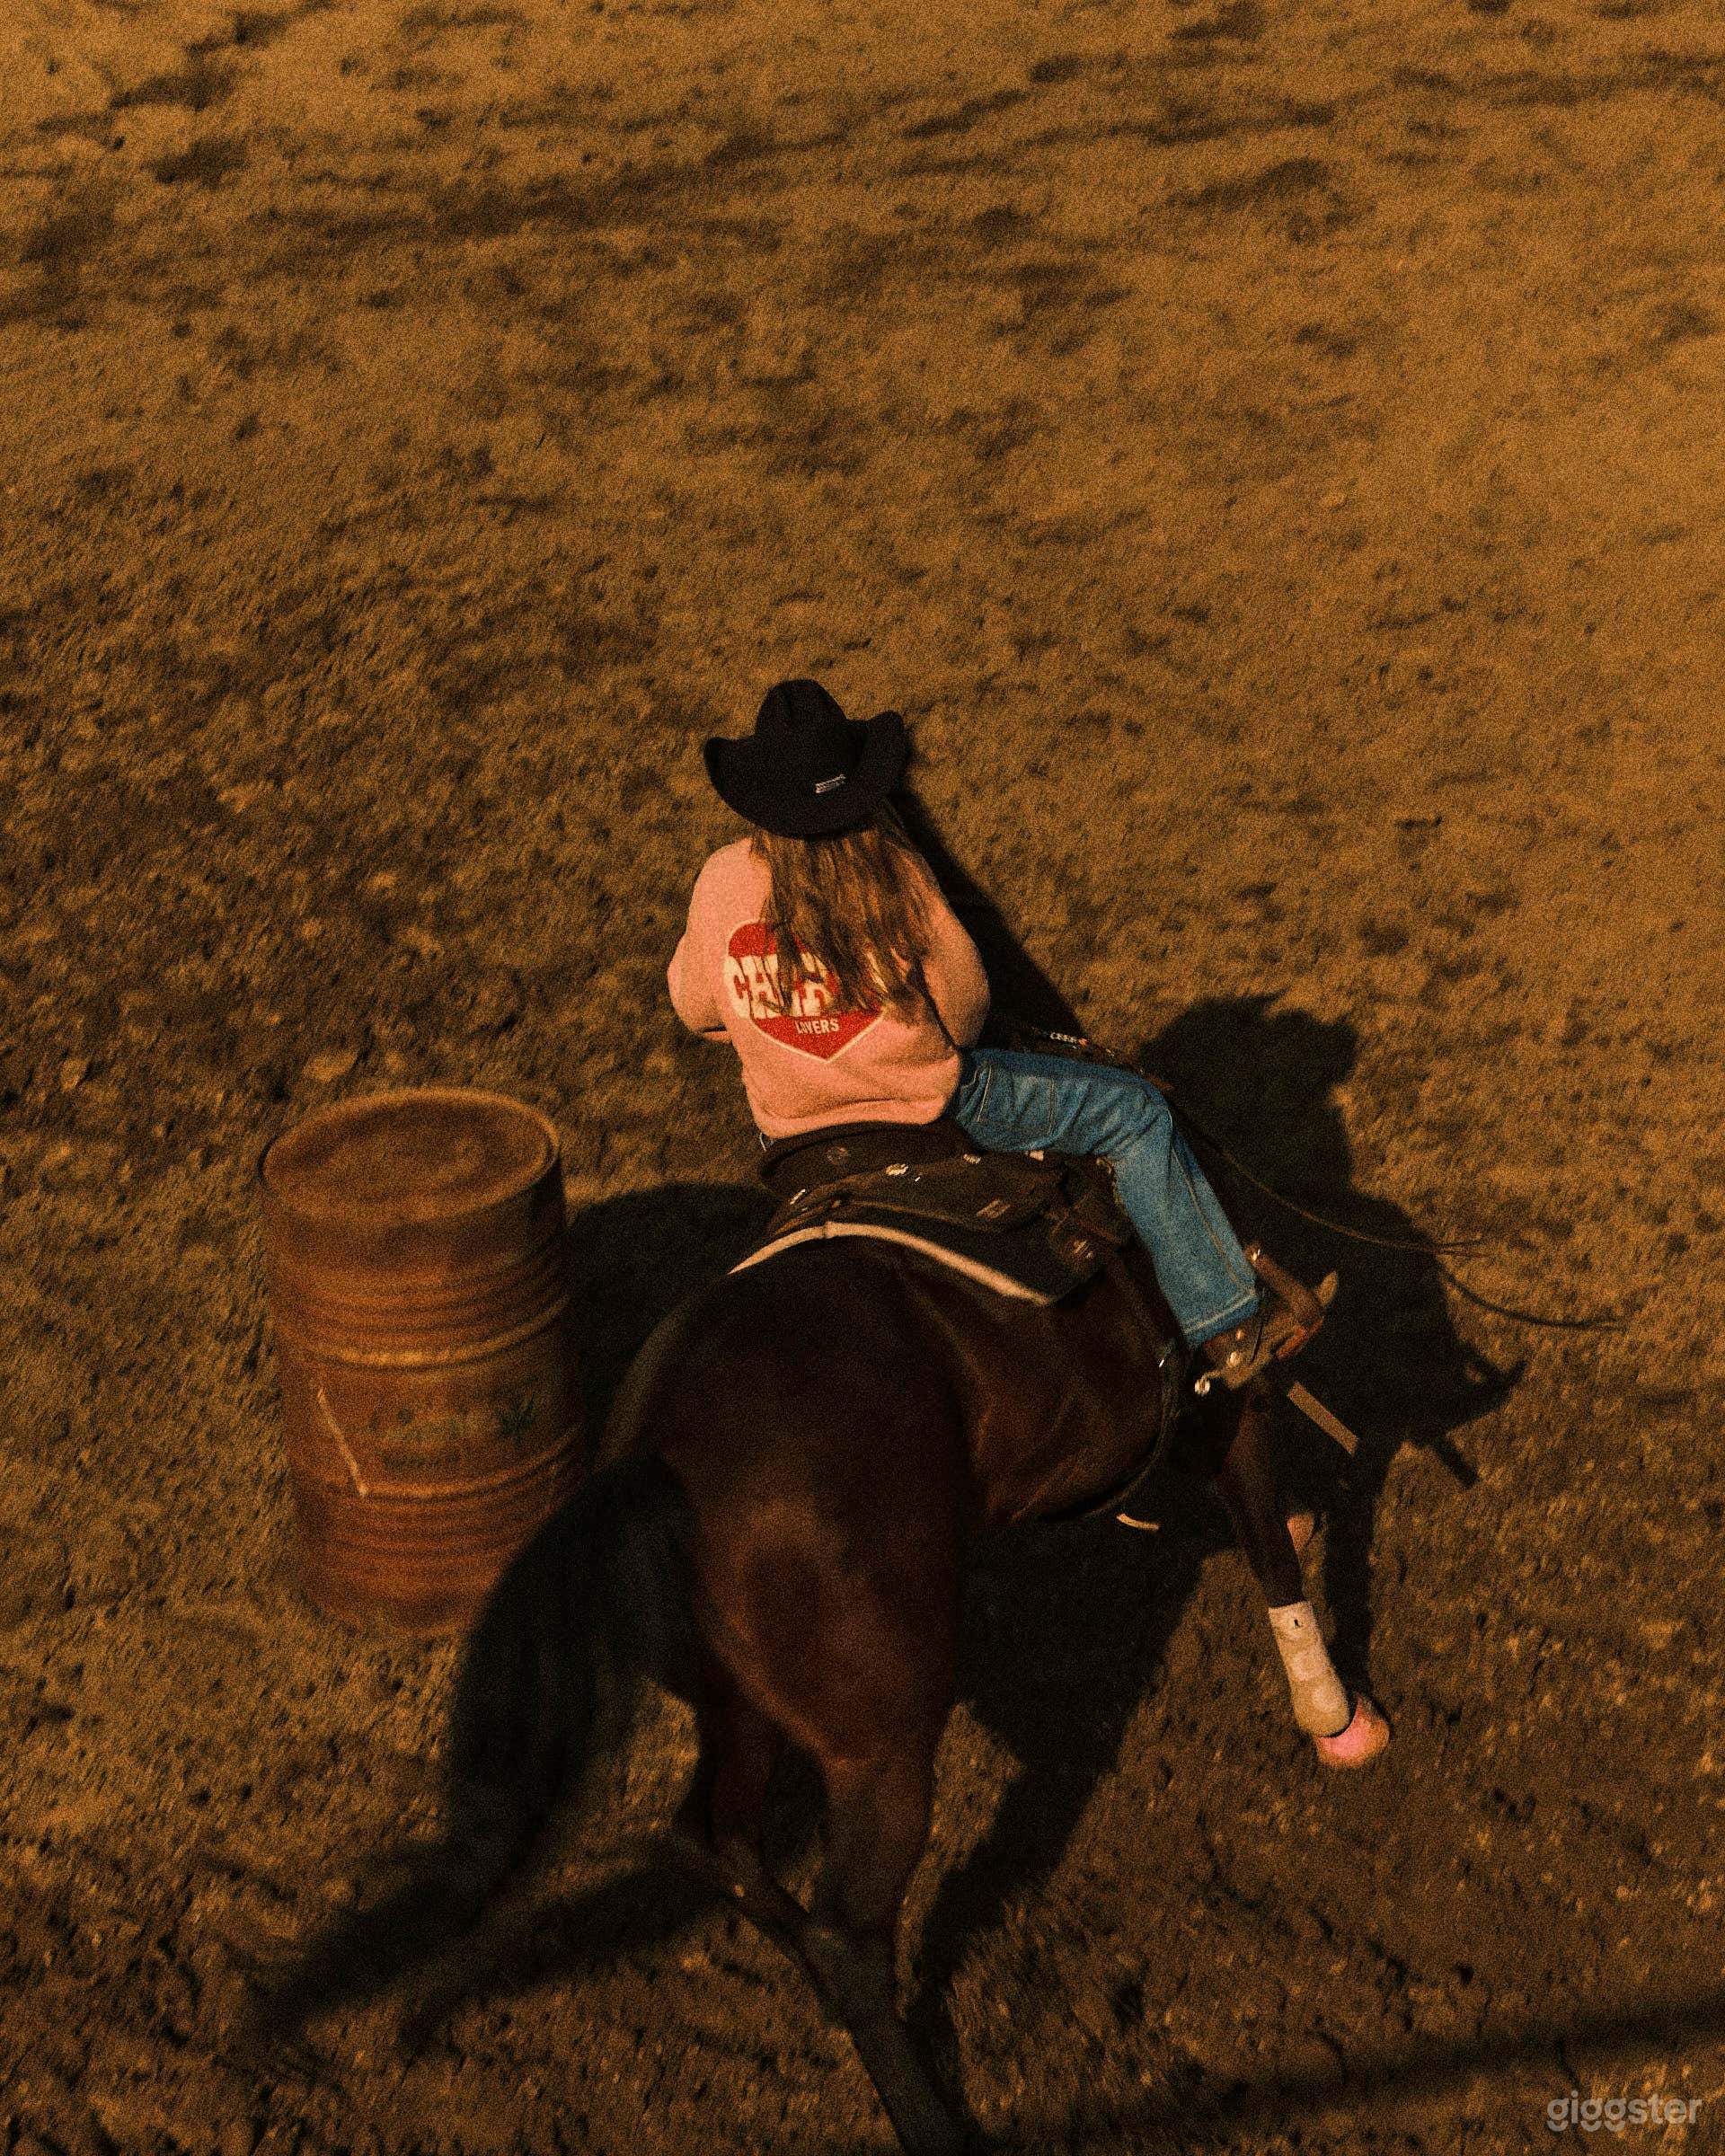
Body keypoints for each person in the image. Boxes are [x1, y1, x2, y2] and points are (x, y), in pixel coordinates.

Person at [667, 677, 1329, 1389]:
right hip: (933, 1110)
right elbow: (963, 1009)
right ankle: (1225, 1319)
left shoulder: (719, 881)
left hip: (794, 1138)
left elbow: (695, 1008)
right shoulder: (896, 872)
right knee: (1136, 1114)